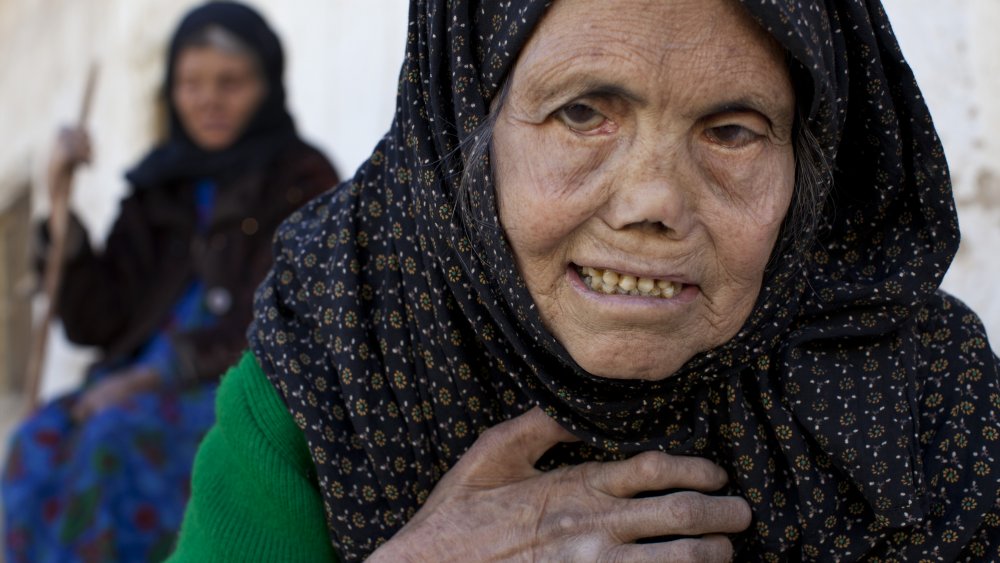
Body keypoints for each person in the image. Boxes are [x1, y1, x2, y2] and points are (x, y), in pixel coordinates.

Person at [170, 0, 1000, 561]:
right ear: (471, 121)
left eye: (733, 130)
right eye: (580, 113)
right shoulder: (341, 346)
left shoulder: (922, 391)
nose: (653, 203)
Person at [1, 2, 339, 561]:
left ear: (267, 84)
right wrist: (59, 207)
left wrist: (154, 377)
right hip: (130, 381)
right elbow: (98, 320)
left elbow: (292, 316)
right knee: (34, 441)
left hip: (239, 382)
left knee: (116, 441)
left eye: (230, 82)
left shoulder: (301, 178)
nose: (208, 99)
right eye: (191, 83)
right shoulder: (160, 183)